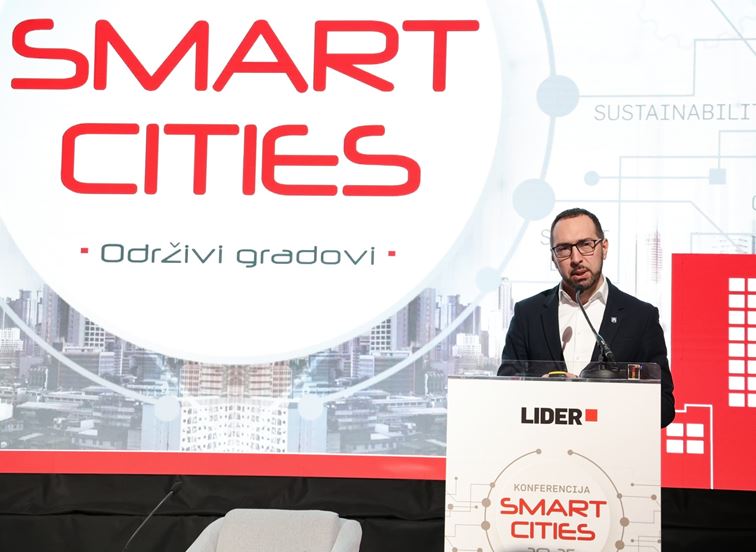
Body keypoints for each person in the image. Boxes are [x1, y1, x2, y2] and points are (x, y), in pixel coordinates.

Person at [498, 207, 675, 427]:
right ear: (553, 258)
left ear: (604, 247)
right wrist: (539, 390)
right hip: (544, 445)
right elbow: (503, 392)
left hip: (610, 446)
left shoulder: (640, 317)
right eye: (563, 249)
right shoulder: (528, 314)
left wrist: (596, 397)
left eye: (585, 244)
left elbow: (664, 407)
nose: (576, 258)